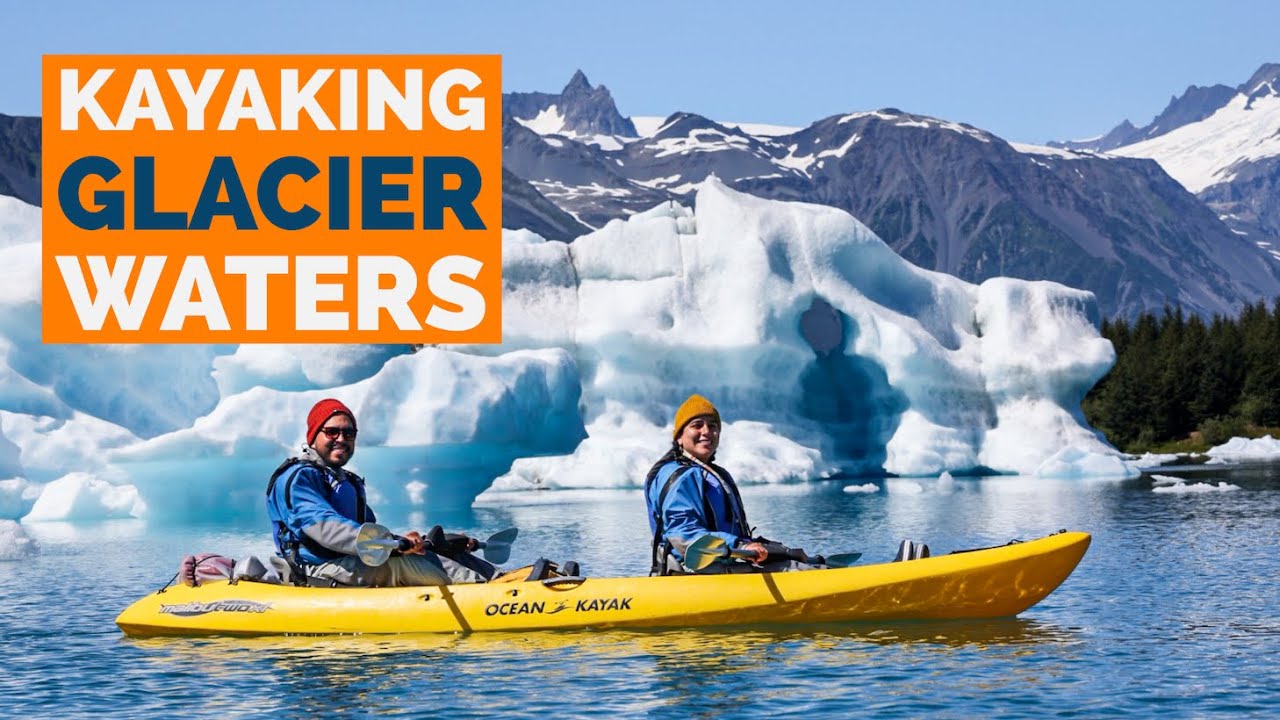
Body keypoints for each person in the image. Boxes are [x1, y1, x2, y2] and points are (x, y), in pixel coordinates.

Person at [266, 398, 496, 587]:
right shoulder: (298, 478)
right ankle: (487, 596)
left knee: (435, 554)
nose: (341, 439)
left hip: (351, 561)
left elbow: (369, 534)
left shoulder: (347, 481)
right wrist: (391, 544)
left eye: (349, 433)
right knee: (400, 564)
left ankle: (499, 580)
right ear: (313, 437)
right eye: (332, 432)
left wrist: (407, 543)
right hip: (317, 568)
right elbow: (325, 526)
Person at [643, 394, 816, 575]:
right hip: (692, 571)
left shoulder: (713, 472)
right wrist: (740, 545)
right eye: (697, 425)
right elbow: (682, 534)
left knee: (802, 560)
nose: (706, 431)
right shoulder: (681, 476)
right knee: (797, 570)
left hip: (722, 561)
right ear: (679, 436)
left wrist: (767, 548)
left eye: (712, 426)